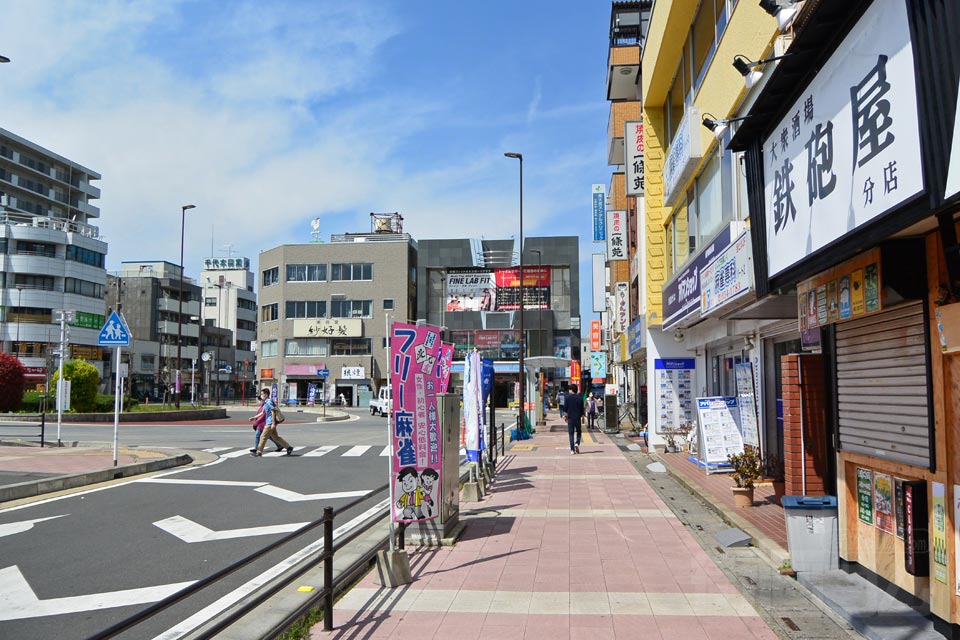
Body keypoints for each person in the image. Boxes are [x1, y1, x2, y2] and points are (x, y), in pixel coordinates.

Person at [253, 388, 294, 457]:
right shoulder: (266, 402)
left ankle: (259, 451)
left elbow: (273, 411)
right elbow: (263, 412)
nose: (261, 395)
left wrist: (273, 423)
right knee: (275, 437)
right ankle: (288, 447)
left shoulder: (268, 401)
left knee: (263, 436)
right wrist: (254, 417)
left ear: (266, 394)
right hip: (270, 422)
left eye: (262, 394)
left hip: (270, 423)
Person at [565, 383, 585, 454]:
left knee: (571, 433)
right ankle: (577, 443)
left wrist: (565, 416)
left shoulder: (567, 398)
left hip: (570, 418)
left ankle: (572, 450)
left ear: (571, 390)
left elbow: (565, 408)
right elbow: (582, 409)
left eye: (569, 389)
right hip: (577, 418)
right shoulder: (580, 398)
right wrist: (583, 417)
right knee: (579, 432)